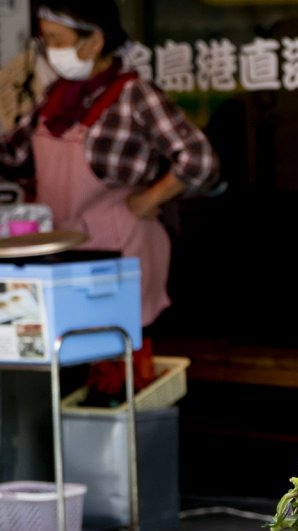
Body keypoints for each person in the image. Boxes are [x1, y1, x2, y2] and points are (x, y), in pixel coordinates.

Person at [0, 0, 219, 326]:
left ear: (94, 41)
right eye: (46, 40)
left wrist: (150, 199)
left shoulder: (134, 95)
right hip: (63, 249)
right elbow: (14, 155)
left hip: (118, 249)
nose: (49, 50)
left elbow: (199, 160)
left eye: (58, 40)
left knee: (116, 348)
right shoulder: (55, 98)